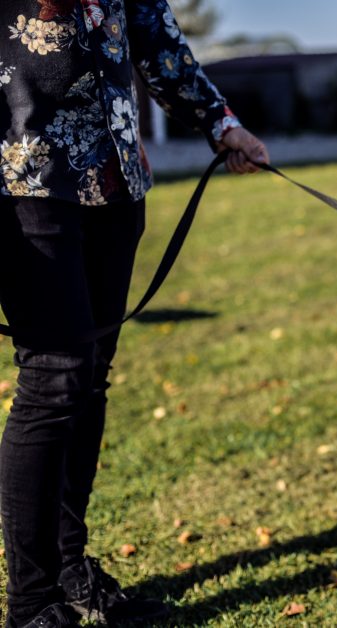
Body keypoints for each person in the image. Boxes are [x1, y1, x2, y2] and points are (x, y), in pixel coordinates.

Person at [0, 1, 269, 626]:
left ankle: (72, 572)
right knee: (54, 377)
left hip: (115, 184)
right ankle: (32, 602)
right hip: (24, 183)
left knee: (87, 378)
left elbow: (157, 37)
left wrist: (220, 122)